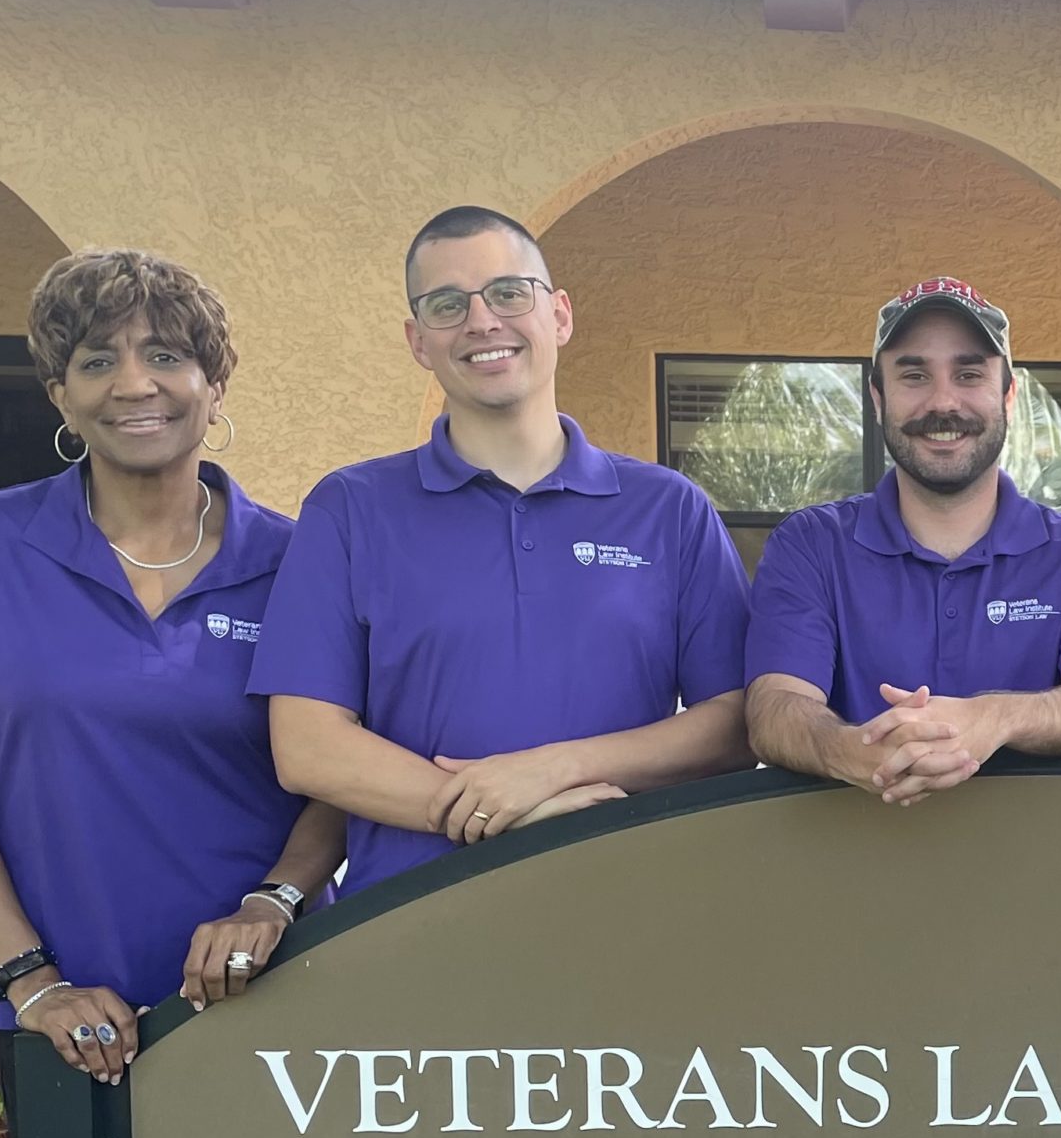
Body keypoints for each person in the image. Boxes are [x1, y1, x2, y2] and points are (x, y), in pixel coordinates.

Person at [0, 249, 347, 1085]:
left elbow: (342, 773)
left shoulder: (301, 560)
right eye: (97, 360)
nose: (134, 384)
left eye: (166, 355)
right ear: (60, 393)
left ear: (215, 384)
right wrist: (31, 979)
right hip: (62, 1017)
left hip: (273, 990)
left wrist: (271, 903)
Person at [251, 206, 752, 889]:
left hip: (628, 910)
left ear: (561, 315)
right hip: (412, 925)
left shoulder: (668, 510)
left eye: (509, 293)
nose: (482, 322)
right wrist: (498, 811)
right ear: (418, 341)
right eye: (447, 305)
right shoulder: (351, 508)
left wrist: (555, 769)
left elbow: (733, 724)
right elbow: (308, 746)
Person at [745, 278, 1061, 804]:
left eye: (969, 373)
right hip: (851, 872)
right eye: (914, 375)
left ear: (1008, 395)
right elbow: (773, 709)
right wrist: (850, 749)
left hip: (1044, 873)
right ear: (877, 397)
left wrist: (990, 719)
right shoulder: (810, 546)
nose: (943, 401)